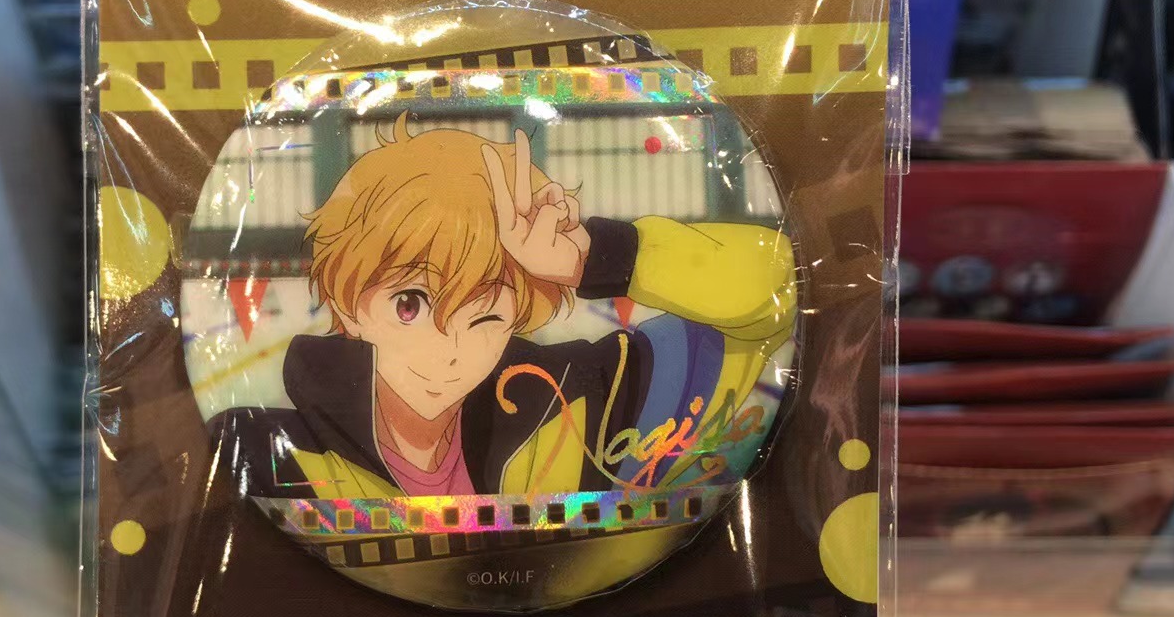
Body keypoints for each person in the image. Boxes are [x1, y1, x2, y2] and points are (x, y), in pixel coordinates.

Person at [209, 114, 795, 501]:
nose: (449, 352)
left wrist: (597, 257)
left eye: (485, 315)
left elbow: (775, 296)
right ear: (351, 302)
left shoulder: (587, 403)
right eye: (410, 305)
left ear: (518, 315)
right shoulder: (265, 452)